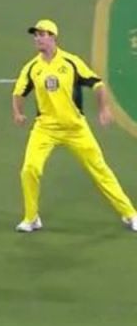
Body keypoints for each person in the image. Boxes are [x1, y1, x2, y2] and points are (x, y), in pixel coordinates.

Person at [12, 19, 137, 232]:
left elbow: (97, 84)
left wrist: (104, 108)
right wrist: (18, 112)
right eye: (35, 35)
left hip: (76, 129)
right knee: (29, 169)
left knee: (100, 170)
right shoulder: (32, 68)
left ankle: (130, 214)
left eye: (42, 34)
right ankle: (31, 218)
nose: (37, 39)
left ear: (53, 37)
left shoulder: (71, 62)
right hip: (45, 129)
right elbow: (18, 92)